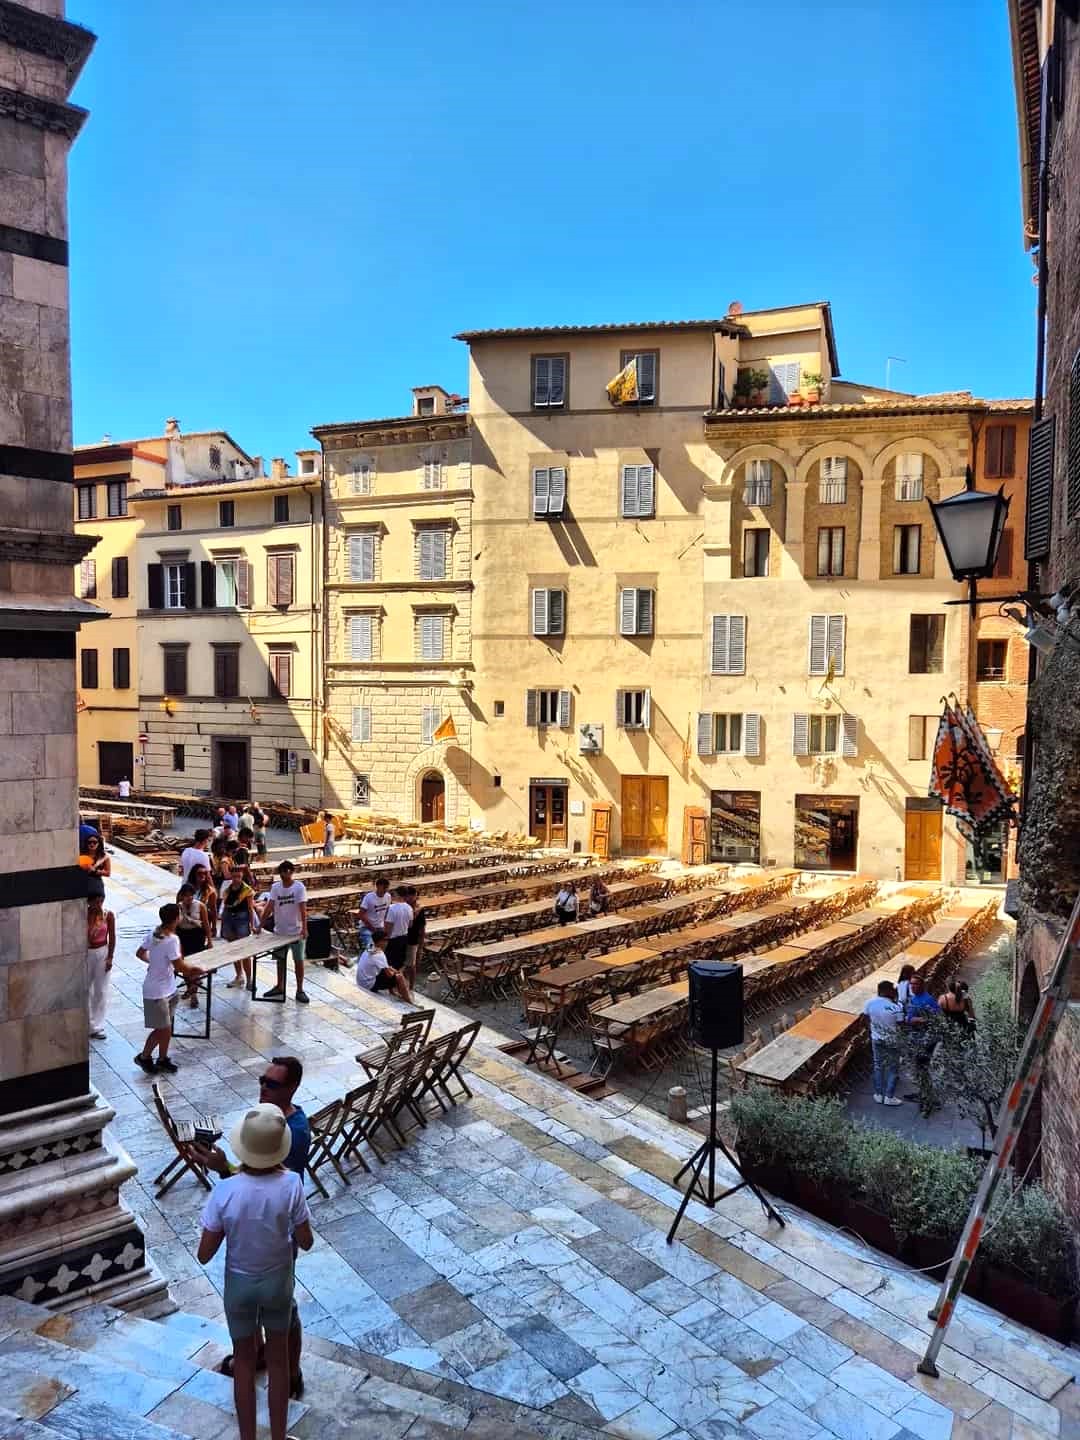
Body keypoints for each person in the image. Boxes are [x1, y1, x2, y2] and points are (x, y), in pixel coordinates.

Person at [196, 1103, 313, 1440]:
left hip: (239, 1286)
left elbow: (205, 1254)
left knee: (245, 1363)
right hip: (277, 1282)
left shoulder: (225, 1190)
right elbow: (305, 1241)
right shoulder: (291, 1184)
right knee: (278, 1364)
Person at [134, 903, 201, 1074]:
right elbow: (180, 966)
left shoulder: (154, 933)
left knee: (166, 1028)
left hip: (167, 988)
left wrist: (155, 963)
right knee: (162, 1029)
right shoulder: (172, 939)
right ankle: (144, 1057)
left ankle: (162, 1059)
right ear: (175, 919)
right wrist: (195, 970)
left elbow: (140, 953)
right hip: (157, 992)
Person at [261, 861, 309, 1004]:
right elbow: (269, 907)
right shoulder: (276, 887)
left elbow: (303, 909)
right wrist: (260, 925)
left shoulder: (299, 887)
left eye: (287, 871)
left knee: (298, 961)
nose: (285, 874)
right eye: (282, 871)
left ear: (291, 872)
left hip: (295, 931)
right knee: (279, 960)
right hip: (280, 931)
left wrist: (305, 928)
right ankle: (279, 985)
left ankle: (300, 989)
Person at [904, 975, 941, 1116]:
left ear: (922, 985)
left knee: (922, 1070)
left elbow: (937, 1018)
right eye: (911, 984)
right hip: (916, 1039)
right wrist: (911, 1019)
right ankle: (924, 1094)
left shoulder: (928, 1000)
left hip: (925, 1041)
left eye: (915, 984)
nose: (912, 987)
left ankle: (927, 1103)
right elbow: (909, 1018)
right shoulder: (914, 999)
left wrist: (918, 1019)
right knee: (919, 1070)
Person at [863, 980, 904, 1106]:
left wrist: (872, 1031)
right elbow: (901, 1025)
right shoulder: (896, 1007)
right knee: (893, 1067)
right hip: (892, 1040)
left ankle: (879, 1094)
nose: (894, 991)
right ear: (886, 991)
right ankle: (889, 1096)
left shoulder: (869, 1003)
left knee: (878, 1065)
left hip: (876, 1039)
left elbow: (865, 1019)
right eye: (892, 989)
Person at [220, 868, 260, 989]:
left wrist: (252, 924)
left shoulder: (247, 890)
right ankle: (239, 976)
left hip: (242, 919)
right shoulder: (227, 889)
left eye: (239, 876)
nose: (236, 879)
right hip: (229, 918)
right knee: (234, 949)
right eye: (234, 876)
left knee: (244, 950)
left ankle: (249, 979)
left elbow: (250, 909)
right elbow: (225, 905)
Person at [86, 893, 115, 1040]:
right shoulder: (82, 914)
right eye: (95, 901)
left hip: (102, 952)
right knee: (86, 989)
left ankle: (96, 1026)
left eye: (101, 900)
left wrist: (110, 957)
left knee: (100, 989)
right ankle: (87, 1022)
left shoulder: (107, 915)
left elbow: (112, 936)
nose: (98, 904)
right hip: (86, 953)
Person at [355, 936, 412, 1002]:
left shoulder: (370, 946)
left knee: (389, 970)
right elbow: (389, 975)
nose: (387, 942)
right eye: (385, 940)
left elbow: (386, 967)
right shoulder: (380, 954)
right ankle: (408, 1000)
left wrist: (394, 970)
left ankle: (394, 992)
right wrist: (397, 972)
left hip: (360, 982)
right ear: (380, 941)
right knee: (399, 977)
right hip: (368, 985)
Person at [384, 887, 413, 973]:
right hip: (404, 938)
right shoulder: (409, 908)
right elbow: (410, 924)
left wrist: (385, 940)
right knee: (399, 964)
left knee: (389, 964)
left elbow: (389, 926)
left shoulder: (392, 908)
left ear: (398, 895)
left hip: (393, 939)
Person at [358, 876, 391, 948]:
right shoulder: (368, 897)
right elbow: (361, 914)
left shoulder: (388, 896)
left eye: (387, 888)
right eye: (384, 887)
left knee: (384, 947)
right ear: (378, 886)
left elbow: (387, 912)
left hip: (380, 927)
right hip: (366, 927)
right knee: (371, 947)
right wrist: (372, 928)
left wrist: (385, 927)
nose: (386, 890)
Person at [403, 885, 426, 988]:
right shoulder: (403, 907)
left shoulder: (420, 910)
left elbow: (422, 929)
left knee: (411, 965)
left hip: (413, 940)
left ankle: (411, 986)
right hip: (401, 938)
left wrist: (421, 946)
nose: (412, 899)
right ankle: (403, 983)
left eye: (414, 896)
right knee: (401, 964)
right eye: (410, 896)